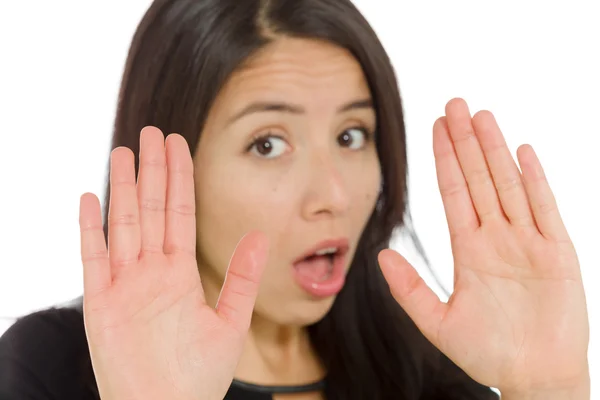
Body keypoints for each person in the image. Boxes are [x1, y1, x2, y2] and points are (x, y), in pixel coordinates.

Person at [0, 0, 590, 399]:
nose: (333, 195)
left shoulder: (428, 375)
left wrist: (549, 385)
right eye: (267, 144)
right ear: (173, 166)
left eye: (351, 135)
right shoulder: (47, 369)